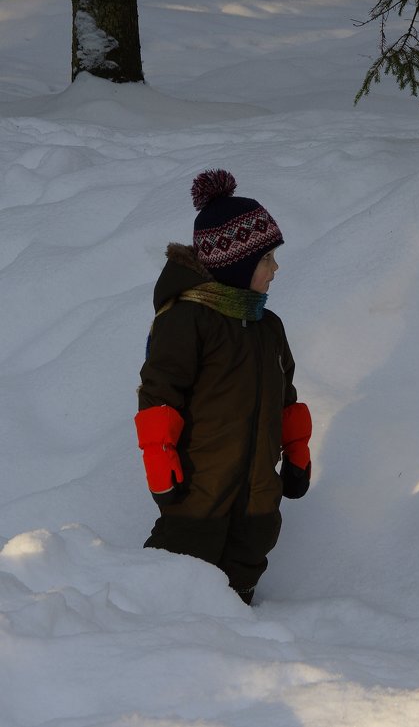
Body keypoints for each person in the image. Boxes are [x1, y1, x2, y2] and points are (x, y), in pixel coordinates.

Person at [134, 169, 312, 604]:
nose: (275, 268)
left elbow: (285, 393)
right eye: (267, 258)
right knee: (185, 554)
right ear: (236, 263)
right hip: (199, 483)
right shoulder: (188, 320)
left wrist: (297, 451)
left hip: (257, 484)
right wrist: (160, 462)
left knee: (252, 544)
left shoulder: (268, 326)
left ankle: (236, 626)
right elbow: (160, 393)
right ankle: (146, 627)